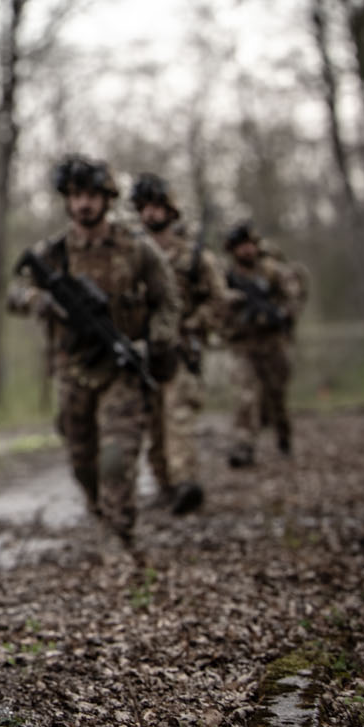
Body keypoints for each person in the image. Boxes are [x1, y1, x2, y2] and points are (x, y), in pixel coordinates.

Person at [7, 155, 179, 552]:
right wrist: (40, 300)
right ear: (67, 200)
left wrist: (157, 341)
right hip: (73, 370)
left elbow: (167, 301)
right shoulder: (52, 253)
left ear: (107, 199)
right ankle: (101, 513)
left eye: (91, 196)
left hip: (121, 369)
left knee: (116, 457)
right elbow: (14, 294)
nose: (84, 204)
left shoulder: (137, 249)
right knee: (81, 459)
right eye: (76, 196)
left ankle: (120, 535)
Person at [128, 174, 228, 515]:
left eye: (157, 207)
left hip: (182, 349)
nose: (151, 214)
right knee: (152, 422)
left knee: (178, 417)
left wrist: (192, 325)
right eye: (145, 208)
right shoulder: (132, 254)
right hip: (144, 351)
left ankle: (186, 483)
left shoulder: (196, 257)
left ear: (171, 210)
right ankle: (166, 486)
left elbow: (219, 302)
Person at [221, 220, 304, 467]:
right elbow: (217, 307)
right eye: (240, 246)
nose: (245, 251)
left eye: (249, 245)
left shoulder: (273, 272)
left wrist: (279, 315)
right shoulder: (227, 277)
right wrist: (235, 310)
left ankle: (283, 437)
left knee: (276, 397)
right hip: (243, 346)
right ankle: (243, 447)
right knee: (245, 396)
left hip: (273, 344)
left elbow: (294, 299)